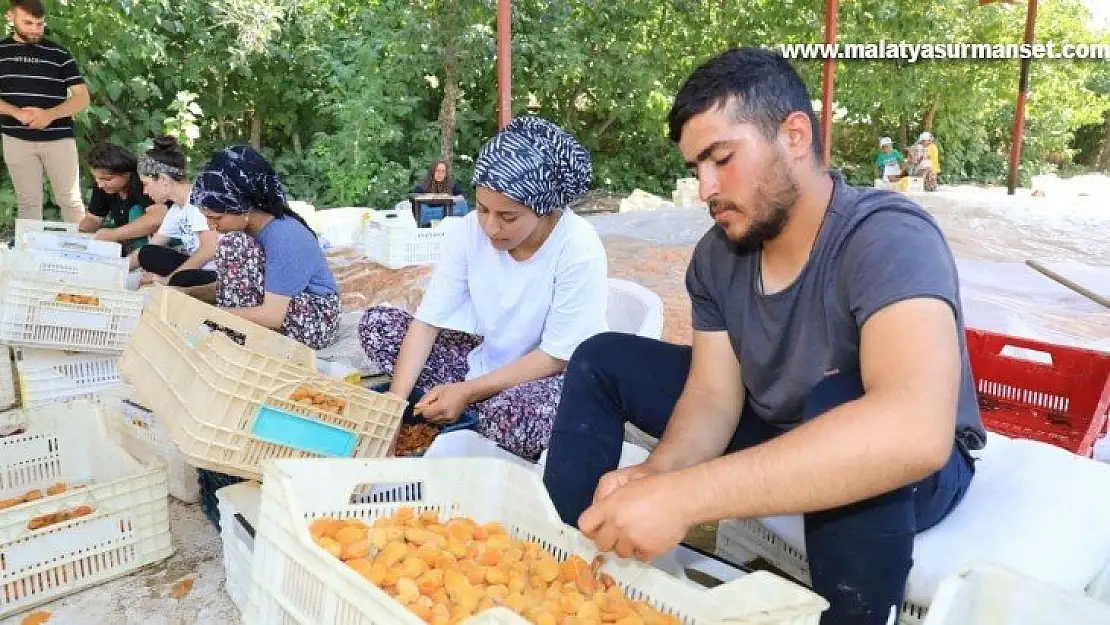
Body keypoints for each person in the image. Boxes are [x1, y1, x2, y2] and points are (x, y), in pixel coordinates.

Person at [541, 48, 983, 625]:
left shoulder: (887, 236)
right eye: (696, 168)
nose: (706, 188)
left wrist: (686, 498)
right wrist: (659, 474)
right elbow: (713, 397)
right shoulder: (717, 255)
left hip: (914, 472)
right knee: (602, 358)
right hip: (778, 424)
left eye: (721, 159)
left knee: (840, 400)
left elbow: (913, 433)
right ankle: (560, 569)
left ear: (794, 135)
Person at [360, 117, 608, 460]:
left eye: (508, 217)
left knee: (516, 415)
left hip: (546, 378)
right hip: (483, 359)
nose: (491, 226)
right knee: (378, 327)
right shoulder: (466, 232)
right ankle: (460, 409)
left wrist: (468, 392)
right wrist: (393, 405)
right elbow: (428, 321)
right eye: (483, 209)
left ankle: (469, 409)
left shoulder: (577, 246)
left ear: (545, 209)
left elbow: (556, 356)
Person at [189, 145, 340, 350]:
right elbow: (234, 287)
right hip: (287, 309)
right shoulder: (250, 231)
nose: (211, 226)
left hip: (316, 320)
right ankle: (233, 332)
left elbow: (272, 316)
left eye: (216, 218)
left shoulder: (284, 235)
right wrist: (187, 295)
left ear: (243, 209)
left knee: (233, 245)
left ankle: (235, 339)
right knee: (188, 283)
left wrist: (210, 316)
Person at [0, 0, 89, 222]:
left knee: (70, 199)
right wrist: (17, 113)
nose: (35, 30)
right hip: (15, 138)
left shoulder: (59, 53)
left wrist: (49, 115)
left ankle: (80, 253)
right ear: (10, 17)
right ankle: (28, 255)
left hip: (59, 139)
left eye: (39, 24)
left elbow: (82, 98)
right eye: (28, 23)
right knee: (28, 203)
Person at [135, 136, 220, 288]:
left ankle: (174, 281)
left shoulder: (197, 200)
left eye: (146, 184)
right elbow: (153, 245)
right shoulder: (176, 209)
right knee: (147, 253)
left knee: (180, 279)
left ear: (163, 179)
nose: (145, 191)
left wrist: (168, 279)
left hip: (218, 271)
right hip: (198, 269)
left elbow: (210, 249)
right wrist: (117, 268)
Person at [79, 142, 167, 265]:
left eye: (107, 179)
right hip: (129, 242)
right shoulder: (102, 186)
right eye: (96, 178)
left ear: (127, 173)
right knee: (103, 231)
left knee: (135, 212)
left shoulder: (141, 182)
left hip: (163, 242)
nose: (100, 184)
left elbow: (158, 217)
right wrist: (81, 236)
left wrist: (115, 235)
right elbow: (94, 218)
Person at [411, 159, 469, 225]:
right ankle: (445, 216)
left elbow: (462, 196)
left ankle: (446, 216)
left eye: (443, 171)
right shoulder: (423, 185)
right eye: (437, 171)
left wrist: (450, 197)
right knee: (423, 210)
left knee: (462, 204)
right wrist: (429, 196)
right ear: (432, 171)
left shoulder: (450, 184)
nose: (440, 174)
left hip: (447, 211)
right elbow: (413, 197)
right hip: (429, 213)